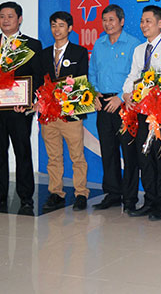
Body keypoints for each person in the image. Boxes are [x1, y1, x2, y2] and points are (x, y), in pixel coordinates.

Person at [0, 1, 43, 215]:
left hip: (19, 111)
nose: (6, 20)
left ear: (19, 19)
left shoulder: (32, 45)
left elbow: (38, 78)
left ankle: (25, 198)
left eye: (10, 16)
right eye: (2, 16)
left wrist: (28, 99)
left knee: (22, 153)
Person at [122, 5, 161, 221]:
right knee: (144, 157)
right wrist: (127, 93)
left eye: (148, 21)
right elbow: (133, 75)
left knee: (160, 158)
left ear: (160, 23)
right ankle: (149, 200)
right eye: (142, 21)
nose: (144, 25)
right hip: (141, 112)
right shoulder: (138, 50)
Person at [88, 5, 140, 211]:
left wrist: (120, 98)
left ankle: (130, 198)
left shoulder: (134, 45)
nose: (107, 24)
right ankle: (112, 193)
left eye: (111, 20)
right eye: (105, 20)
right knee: (108, 152)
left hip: (124, 104)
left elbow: (137, 76)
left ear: (122, 21)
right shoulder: (99, 44)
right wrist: (94, 93)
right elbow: (92, 72)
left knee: (129, 153)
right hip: (102, 104)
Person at [39, 11, 91, 212]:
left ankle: (80, 193)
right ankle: (56, 193)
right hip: (48, 115)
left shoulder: (79, 52)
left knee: (77, 156)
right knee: (53, 156)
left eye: (61, 25)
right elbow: (38, 83)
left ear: (70, 28)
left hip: (71, 114)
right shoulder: (43, 54)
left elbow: (82, 81)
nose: (57, 29)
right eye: (53, 25)